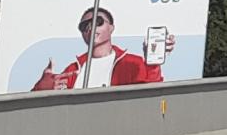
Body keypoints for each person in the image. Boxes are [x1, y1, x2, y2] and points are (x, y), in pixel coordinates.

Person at [32, 5, 168, 90]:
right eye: (85, 26)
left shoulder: (132, 62)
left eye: (98, 22)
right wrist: (42, 88)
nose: (90, 28)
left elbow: (151, 93)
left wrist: (153, 64)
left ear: (111, 28)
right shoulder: (72, 70)